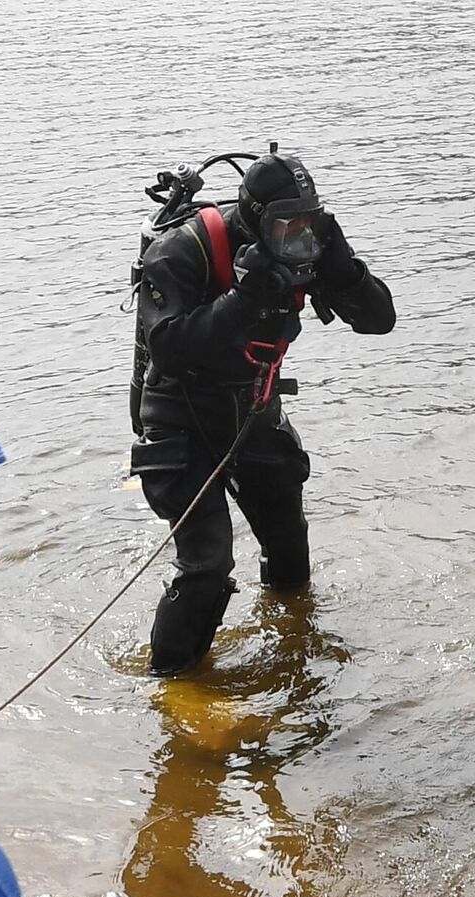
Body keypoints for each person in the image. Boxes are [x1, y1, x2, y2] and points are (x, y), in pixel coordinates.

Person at [130, 147, 395, 676]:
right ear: (255, 219)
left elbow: (379, 321)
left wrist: (345, 273)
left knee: (289, 543)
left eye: (308, 223)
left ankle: (293, 641)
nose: (297, 237)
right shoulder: (183, 252)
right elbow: (169, 347)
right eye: (285, 226)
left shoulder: (307, 247)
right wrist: (243, 299)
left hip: (253, 403)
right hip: (178, 412)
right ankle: (171, 682)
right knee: (207, 566)